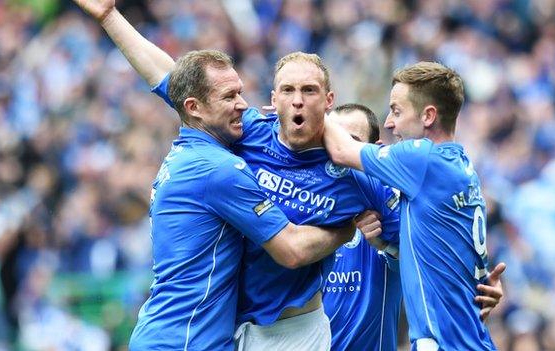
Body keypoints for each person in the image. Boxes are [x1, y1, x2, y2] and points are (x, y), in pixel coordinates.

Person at [71, 2, 355, 351]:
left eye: (240, 93)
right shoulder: (219, 170)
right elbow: (292, 250)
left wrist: (110, 18)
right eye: (230, 96)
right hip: (186, 342)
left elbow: (168, 78)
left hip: (169, 333)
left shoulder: (196, 149)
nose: (242, 104)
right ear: (195, 108)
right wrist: (345, 228)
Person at [323, 61, 503, 350]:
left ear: (428, 115)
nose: (391, 122)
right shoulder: (461, 168)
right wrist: (385, 244)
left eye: (396, 111)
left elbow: (342, 151)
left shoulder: (421, 160)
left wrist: (303, 110)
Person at [323, 103, 402, 351]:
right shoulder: (305, 207)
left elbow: (422, 260)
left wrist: (385, 244)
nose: (338, 153)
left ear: (375, 152)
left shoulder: (389, 216)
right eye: (332, 141)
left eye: (352, 142)